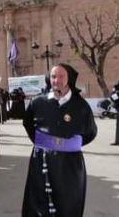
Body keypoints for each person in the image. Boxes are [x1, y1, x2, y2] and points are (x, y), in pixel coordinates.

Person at [22, 64, 97, 217]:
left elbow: (90, 132)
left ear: (69, 78)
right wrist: (44, 143)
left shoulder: (81, 106)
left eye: (61, 76)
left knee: (68, 200)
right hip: (42, 159)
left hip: (69, 162)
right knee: (39, 200)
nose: (57, 80)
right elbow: (27, 123)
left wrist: (68, 145)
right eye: (54, 77)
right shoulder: (38, 102)